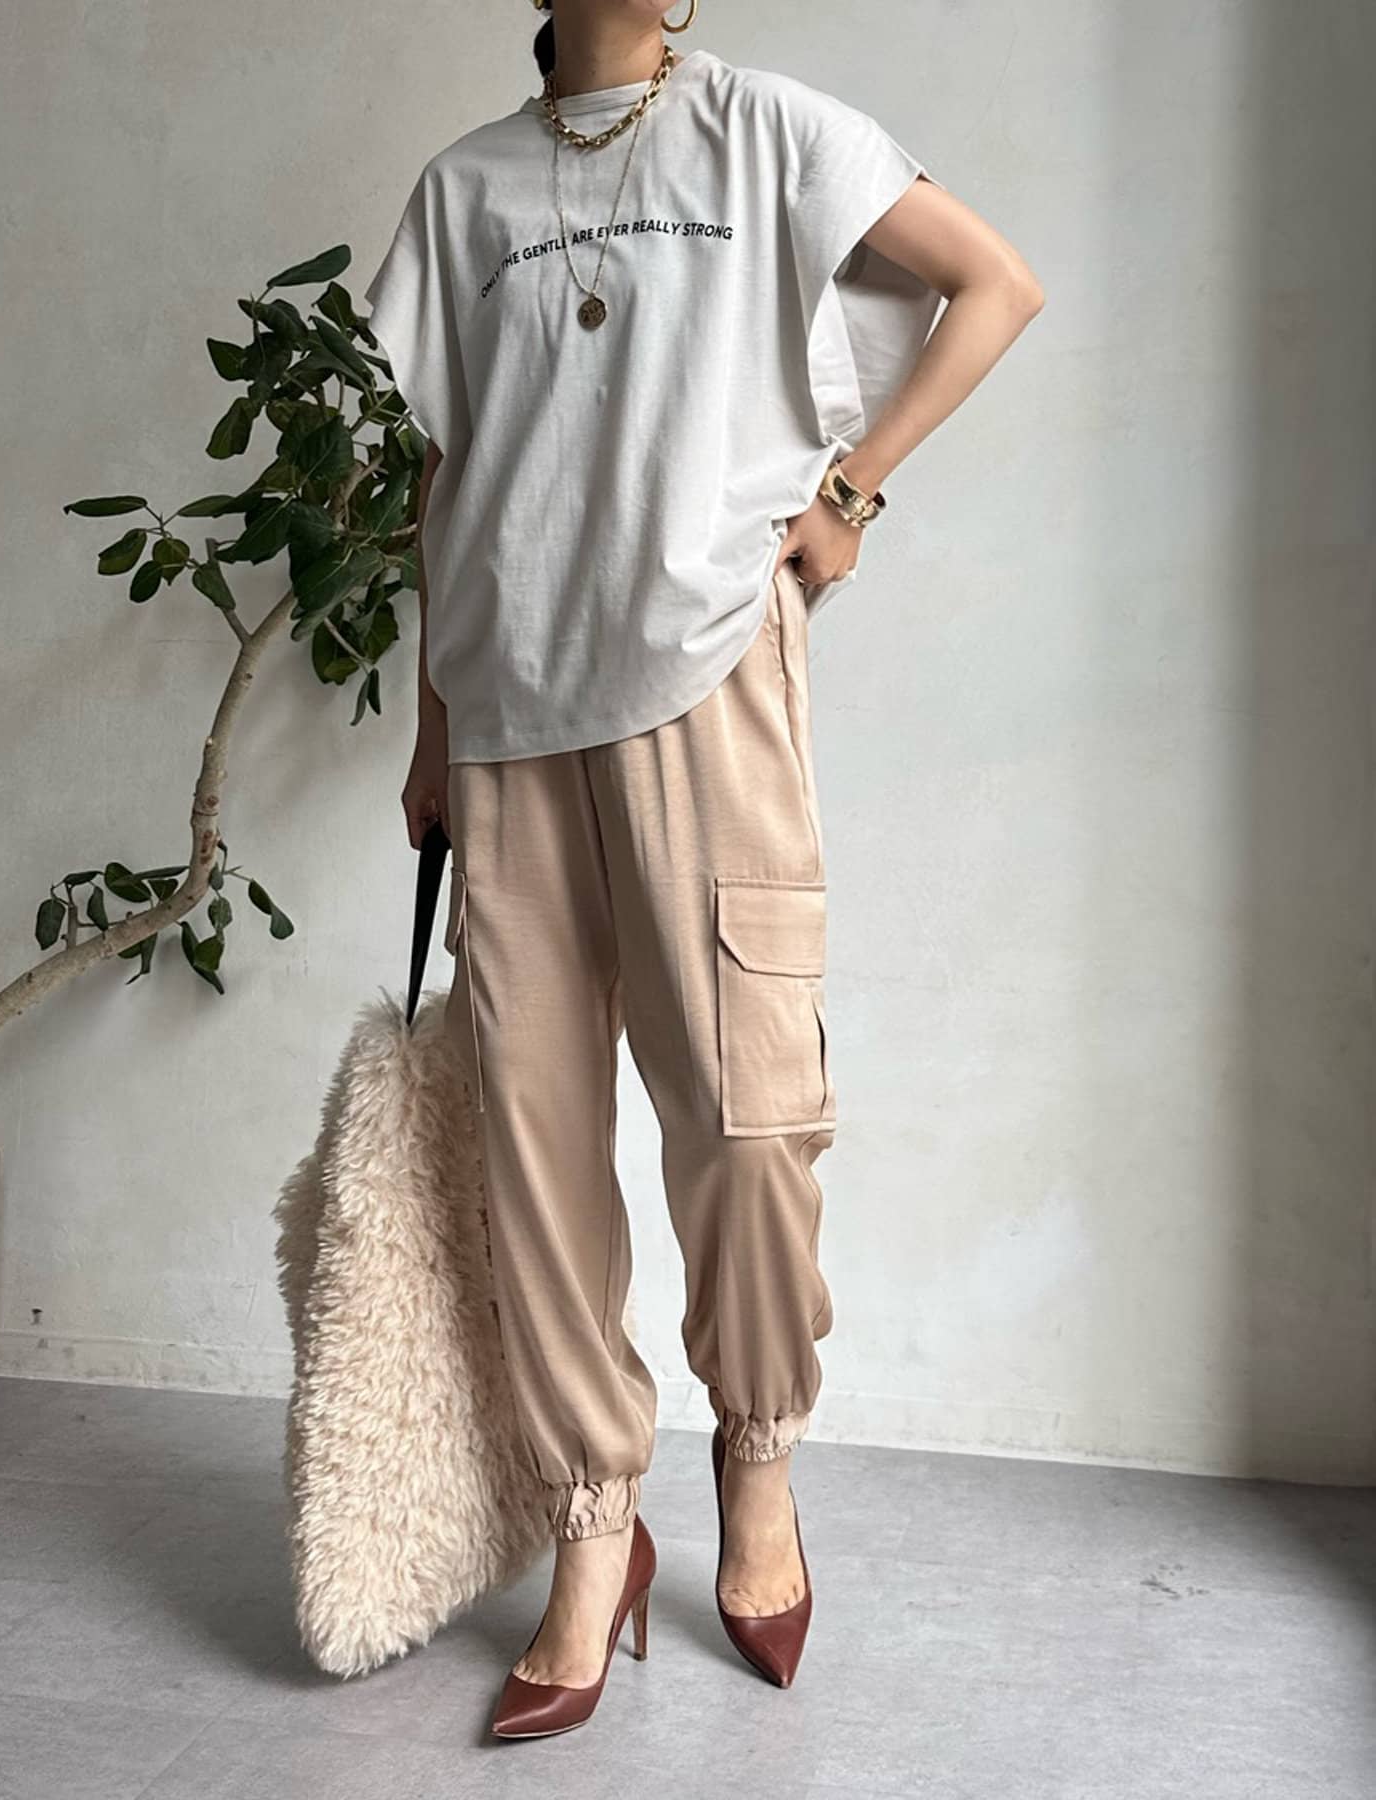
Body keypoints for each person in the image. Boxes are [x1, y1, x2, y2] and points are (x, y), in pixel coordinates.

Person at [362, 0, 1043, 1740]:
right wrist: (433, 725)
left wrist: (851, 497)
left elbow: (995, 285)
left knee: (748, 1117)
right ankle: (595, 1523)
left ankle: (756, 1458)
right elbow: (450, 475)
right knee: (534, 1150)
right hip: (507, 708)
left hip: (708, 673)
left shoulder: (773, 133)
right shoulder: (463, 190)